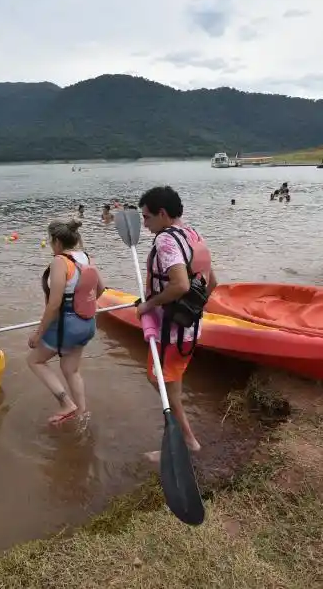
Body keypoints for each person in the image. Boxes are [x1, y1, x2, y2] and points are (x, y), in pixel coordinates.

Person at [135, 186, 218, 462]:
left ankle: (185, 443)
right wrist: (192, 310)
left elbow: (181, 284)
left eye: (146, 218)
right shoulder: (193, 235)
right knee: (171, 387)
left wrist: (148, 305)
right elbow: (212, 282)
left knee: (159, 381)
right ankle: (185, 439)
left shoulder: (166, 241)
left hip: (170, 333)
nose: (145, 225)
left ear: (162, 213)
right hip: (189, 330)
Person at [27, 219, 106, 427]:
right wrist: (82, 308)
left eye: (51, 240)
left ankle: (66, 404)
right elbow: (100, 289)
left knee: (34, 361)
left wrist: (38, 334)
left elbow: (54, 305)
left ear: (56, 241)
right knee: (71, 369)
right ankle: (82, 413)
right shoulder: (86, 257)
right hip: (87, 324)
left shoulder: (59, 262)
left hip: (66, 326)